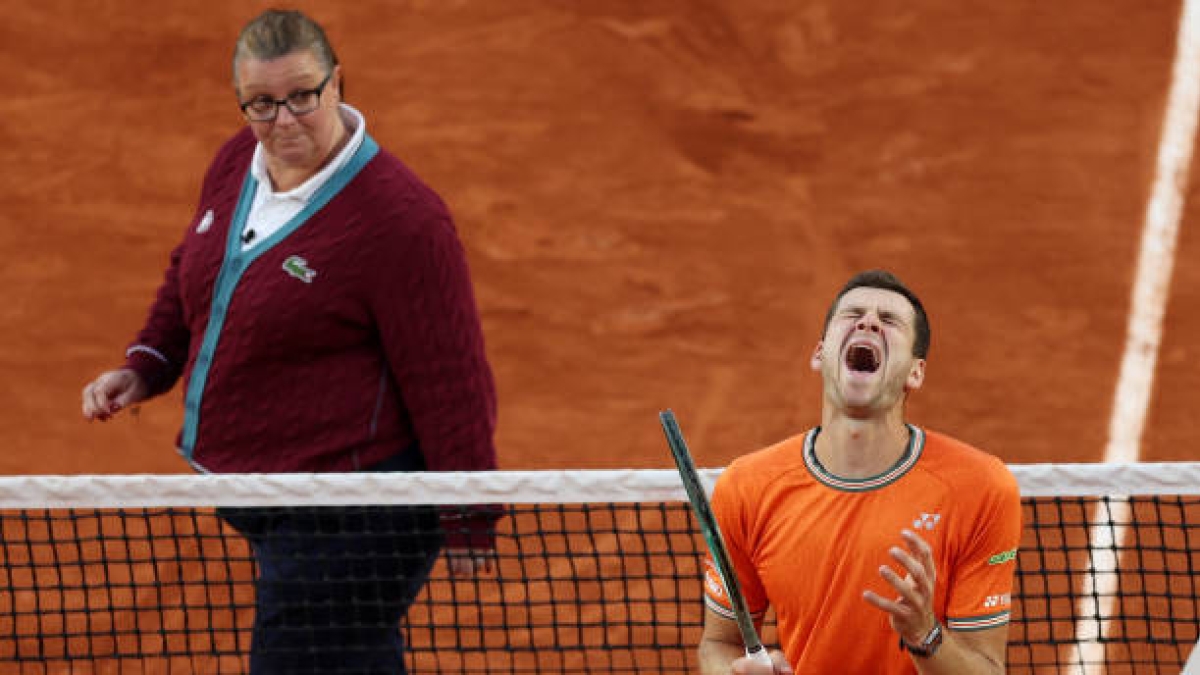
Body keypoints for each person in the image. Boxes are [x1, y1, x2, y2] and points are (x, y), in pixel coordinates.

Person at [80, 9, 499, 673]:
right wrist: (146, 366)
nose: (284, 121)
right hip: (271, 495)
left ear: (336, 84)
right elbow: (194, 268)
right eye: (262, 104)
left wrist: (470, 513)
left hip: (354, 510)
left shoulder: (401, 221)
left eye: (302, 96)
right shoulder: (232, 165)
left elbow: (451, 379)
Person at [698, 270, 1022, 675]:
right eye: (853, 315)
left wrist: (926, 636)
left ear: (915, 373)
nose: (868, 322)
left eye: (889, 321)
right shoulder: (747, 487)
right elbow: (719, 643)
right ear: (819, 354)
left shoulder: (979, 488)